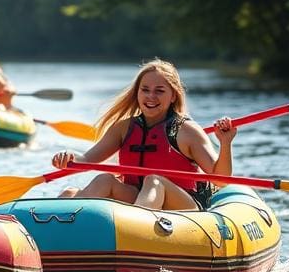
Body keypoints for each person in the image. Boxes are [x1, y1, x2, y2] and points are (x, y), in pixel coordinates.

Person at [51, 59, 236, 210]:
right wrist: (69, 157)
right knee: (103, 180)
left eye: (159, 91)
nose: (151, 97)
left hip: (183, 207)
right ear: (137, 93)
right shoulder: (124, 128)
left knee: (154, 181)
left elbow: (220, 180)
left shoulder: (187, 130)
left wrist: (225, 143)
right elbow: (86, 160)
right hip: (138, 198)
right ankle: (65, 222)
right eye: (145, 90)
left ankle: (135, 228)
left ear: (173, 96)